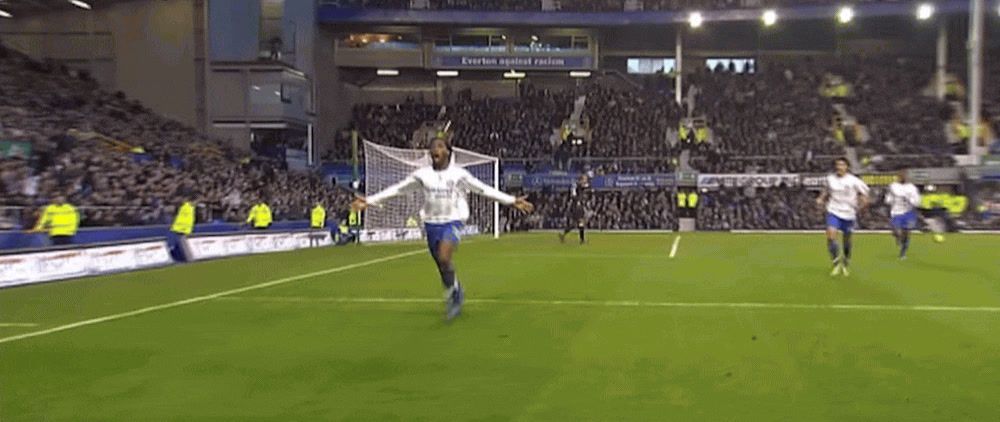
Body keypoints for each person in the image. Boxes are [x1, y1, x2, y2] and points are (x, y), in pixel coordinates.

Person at [351, 137, 534, 321]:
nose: (434, 149)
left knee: (444, 256)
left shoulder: (459, 175)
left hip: (453, 221)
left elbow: (483, 190)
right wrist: (369, 201)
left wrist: (511, 200)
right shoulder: (422, 175)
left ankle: (454, 296)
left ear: (448, 151)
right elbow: (398, 189)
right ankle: (455, 289)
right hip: (431, 224)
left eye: (439, 146)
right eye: (432, 147)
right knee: (442, 265)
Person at [815, 157, 869, 277]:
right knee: (831, 236)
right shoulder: (830, 179)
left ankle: (845, 262)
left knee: (847, 241)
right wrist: (820, 199)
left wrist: (861, 206)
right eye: (838, 165)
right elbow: (825, 191)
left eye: (842, 165)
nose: (839, 167)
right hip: (833, 211)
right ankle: (836, 263)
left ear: (847, 167)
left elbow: (865, 195)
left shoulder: (854, 181)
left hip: (849, 213)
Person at [885, 170, 921, 259]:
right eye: (901, 175)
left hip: (908, 212)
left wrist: (911, 200)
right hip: (896, 212)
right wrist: (889, 200)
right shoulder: (893, 186)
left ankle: (903, 253)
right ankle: (898, 238)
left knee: (907, 233)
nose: (903, 177)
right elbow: (888, 198)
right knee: (897, 231)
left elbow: (917, 201)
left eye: (905, 175)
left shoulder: (912, 188)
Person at [169, 196, 196, 260]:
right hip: (179, 229)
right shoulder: (183, 206)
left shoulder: (190, 208)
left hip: (183, 230)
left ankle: (179, 256)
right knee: (178, 244)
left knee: (181, 244)